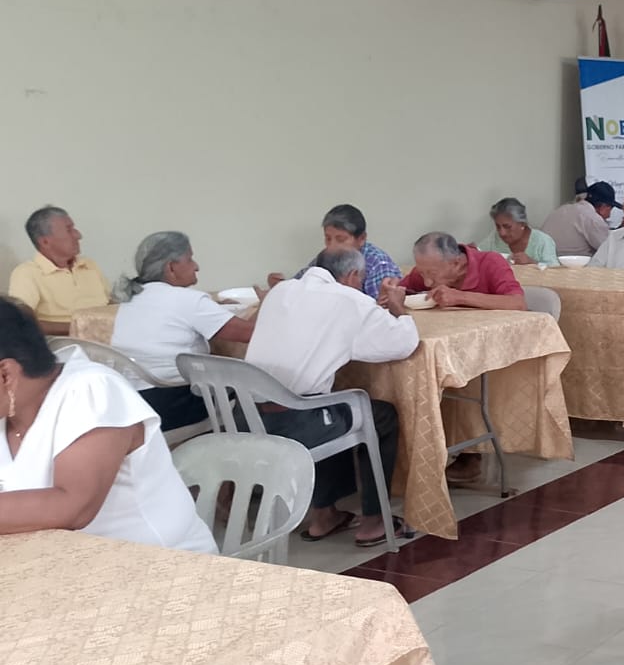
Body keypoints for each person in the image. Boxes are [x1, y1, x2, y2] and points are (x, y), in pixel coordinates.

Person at [0, 298, 216, 552]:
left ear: (6, 374)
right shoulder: (10, 410)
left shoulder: (92, 391)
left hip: (159, 559)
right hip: (66, 555)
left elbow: (72, 506)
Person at [246, 247, 418, 546]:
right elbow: (403, 343)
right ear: (352, 275)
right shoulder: (349, 299)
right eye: (360, 278)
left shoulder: (280, 291)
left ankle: (325, 514)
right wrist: (398, 307)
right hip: (296, 423)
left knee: (332, 402)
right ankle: (374, 521)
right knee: (379, 416)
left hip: (247, 417)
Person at [109, 231, 254, 431]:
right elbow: (250, 334)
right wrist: (269, 301)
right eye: (190, 259)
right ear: (171, 267)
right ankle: (248, 442)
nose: (196, 266)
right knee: (251, 385)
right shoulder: (188, 300)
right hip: (170, 404)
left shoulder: (132, 298)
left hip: (130, 400)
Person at [7, 206, 110, 336]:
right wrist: (81, 327)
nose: (78, 235)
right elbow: (19, 321)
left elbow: (110, 303)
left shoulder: (89, 265)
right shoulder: (27, 273)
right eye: (69, 230)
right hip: (67, 343)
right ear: (45, 242)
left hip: (108, 337)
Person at [269, 204, 402, 302]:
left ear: (361, 239)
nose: (332, 245)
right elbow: (302, 286)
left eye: (340, 239)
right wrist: (282, 286)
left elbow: (381, 310)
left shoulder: (377, 263)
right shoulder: (327, 257)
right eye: (328, 238)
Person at [382, 232, 528, 312]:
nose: (427, 282)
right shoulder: (427, 269)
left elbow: (518, 304)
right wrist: (387, 293)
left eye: (432, 274)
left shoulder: (490, 262)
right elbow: (396, 294)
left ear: (456, 263)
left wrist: (460, 297)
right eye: (422, 273)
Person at [541, 181, 618, 257]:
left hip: (543, 262)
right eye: (610, 209)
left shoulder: (561, 209)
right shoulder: (593, 218)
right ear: (604, 207)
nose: (609, 216)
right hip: (573, 263)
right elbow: (609, 251)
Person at [481, 197, 557, 267]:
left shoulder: (542, 241)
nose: (502, 233)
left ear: (522, 224)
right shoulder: (495, 238)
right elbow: (477, 255)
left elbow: (556, 272)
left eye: (507, 227)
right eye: (498, 226)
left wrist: (532, 263)